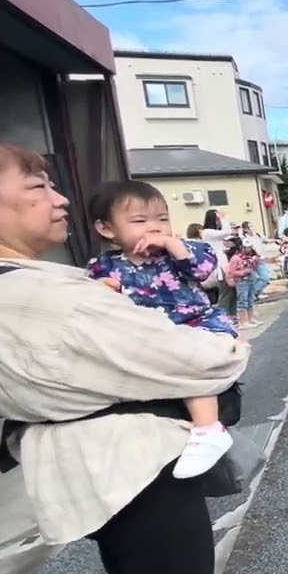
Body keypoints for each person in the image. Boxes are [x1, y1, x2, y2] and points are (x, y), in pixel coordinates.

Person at [0, 143, 250, 574]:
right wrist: (228, 340)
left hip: (90, 468)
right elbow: (211, 358)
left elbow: (202, 274)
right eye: (38, 186)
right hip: (134, 469)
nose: (61, 198)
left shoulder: (31, 282)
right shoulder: (47, 299)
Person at [85, 179, 238, 478]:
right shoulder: (103, 266)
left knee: (191, 366)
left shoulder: (185, 249)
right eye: (140, 221)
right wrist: (101, 289)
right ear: (107, 229)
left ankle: (209, 429)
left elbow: (203, 271)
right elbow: (92, 302)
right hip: (145, 335)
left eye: (162, 219)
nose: (154, 227)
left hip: (194, 323)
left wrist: (173, 245)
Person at [200, 208, 235, 317]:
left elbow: (229, 233)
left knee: (232, 291)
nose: (219, 221)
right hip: (219, 266)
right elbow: (227, 231)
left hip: (225, 264)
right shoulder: (207, 232)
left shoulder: (216, 233)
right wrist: (223, 219)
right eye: (217, 219)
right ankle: (223, 316)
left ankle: (232, 316)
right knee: (225, 292)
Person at [224, 235, 262, 330]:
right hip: (241, 281)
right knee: (242, 301)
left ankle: (250, 318)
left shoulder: (248, 258)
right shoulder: (236, 258)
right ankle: (243, 322)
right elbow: (231, 272)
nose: (249, 249)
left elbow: (254, 266)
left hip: (250, 280)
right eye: (246, 247)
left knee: (250, 300)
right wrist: (243, 272)